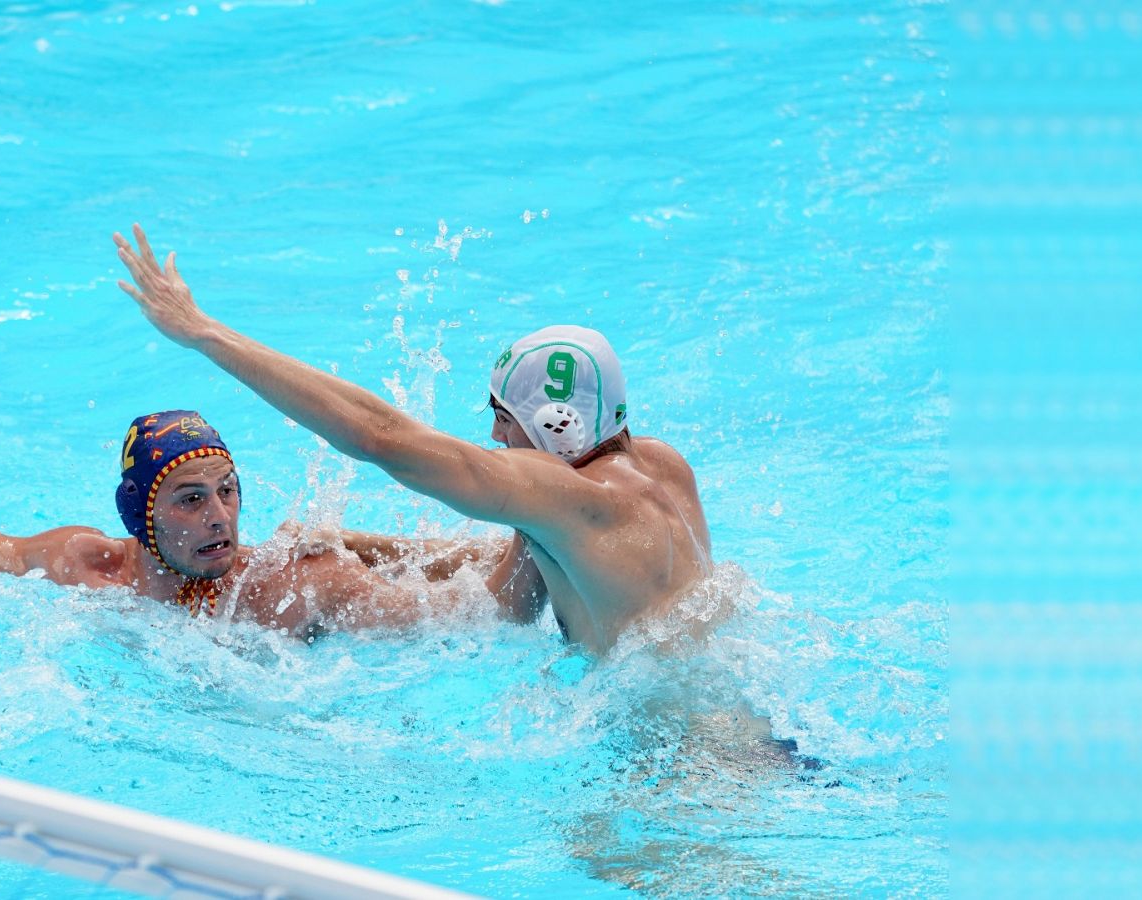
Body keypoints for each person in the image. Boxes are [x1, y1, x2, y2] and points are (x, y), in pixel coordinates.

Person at [113, 224, 718, 654]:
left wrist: (206, 335)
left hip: (672, 771)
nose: (493, 435)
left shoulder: (569, 500)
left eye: (505, 418)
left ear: (558, 428)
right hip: (741, 735)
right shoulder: (660, 467)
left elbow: (380, 436)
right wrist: (356, 543)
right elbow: (520, 576)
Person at [0, 359, 487, 639]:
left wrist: (364, 543)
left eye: (229, 492)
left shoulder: (289, 589)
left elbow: (474, 613)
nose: (219, 517)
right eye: (190, 499)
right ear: (139, 517)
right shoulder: (83, 568)